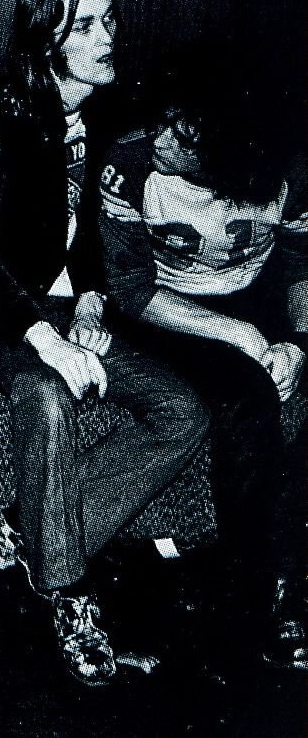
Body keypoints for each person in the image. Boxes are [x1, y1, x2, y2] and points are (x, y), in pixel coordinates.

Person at [0, 0, 209, 686]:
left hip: (61, 305)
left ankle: (28, 527)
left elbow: (88, 228)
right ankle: (69, 596)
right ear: (45, 37)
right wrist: (46, 337)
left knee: (182, 411)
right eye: (85, 26)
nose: (107, 36)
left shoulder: (106, 110)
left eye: (108, 19)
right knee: (47, 395)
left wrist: (89, 299)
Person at [98, 52, 307, 669]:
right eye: (165, 122)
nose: (162, 140)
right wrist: (242, 337)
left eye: (183, 137)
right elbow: (130, 291)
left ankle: (288, 578)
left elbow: (301, 266)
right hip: (163, 310)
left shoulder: (291, 173)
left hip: (255, 296)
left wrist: (299, 342)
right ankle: (252, 599)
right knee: (247, 398)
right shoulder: (130, 161)